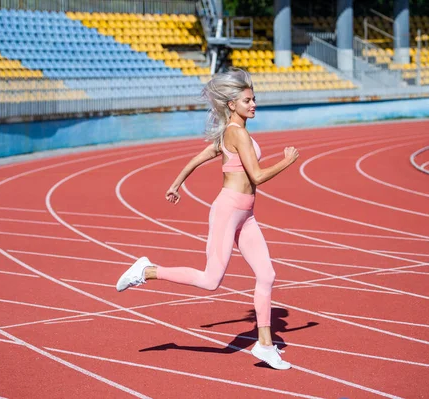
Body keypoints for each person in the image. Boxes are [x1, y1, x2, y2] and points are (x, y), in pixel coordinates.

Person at [116, 68, 299, 370]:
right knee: (210, 280)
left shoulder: (233, 132)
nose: (254, 104)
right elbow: (257, 176)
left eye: (254, 99)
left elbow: (200, 157)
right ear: (232, 104)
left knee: (266, 275)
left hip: (246, 214)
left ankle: (265, 344)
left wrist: (177, 182)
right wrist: (287, 161)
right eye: (248, 100)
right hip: (228, 211)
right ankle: (147, 271)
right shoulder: (236, 132)